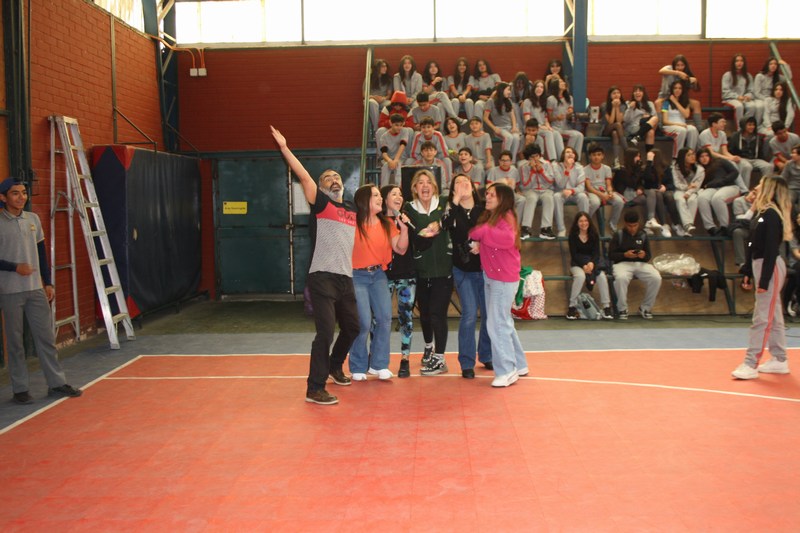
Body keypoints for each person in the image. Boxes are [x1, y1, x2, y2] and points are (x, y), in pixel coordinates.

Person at [271, 127, 359, 405]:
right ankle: (314, 387)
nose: (333, 179)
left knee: (354, 327)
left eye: (336, 176)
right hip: (322, 278)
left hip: (346, 278)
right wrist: (285, 148)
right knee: (325, 332)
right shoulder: (321, 204)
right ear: (321, 188)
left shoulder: (353, 209)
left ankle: (335, 366)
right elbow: (304, 176)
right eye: (327, 178)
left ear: (342, 183)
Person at [0, 178, 83, 405]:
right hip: (9, 291)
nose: (21, 197)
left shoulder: (33, 219)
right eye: (15, 193)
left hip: (36, 289)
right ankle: (20, 389)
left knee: (46, 337)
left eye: (24, 193)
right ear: (3, 197)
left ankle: (56, 383)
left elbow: (42, 253)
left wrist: (48, 282)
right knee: (15, 342)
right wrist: (14, 267)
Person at [732, 176, 792, 380]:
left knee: (762, 317)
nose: (755, 188)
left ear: (769, 189)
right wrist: (748, 270)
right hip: (761, 265)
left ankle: (751, 363)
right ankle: (780, 359)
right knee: (773, 315)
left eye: (760, 185)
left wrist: (764, 281)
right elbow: (752, 244)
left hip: (770, 266)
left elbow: (769, 249)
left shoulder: (772, 215)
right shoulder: (762, 213)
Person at [348, 184, 409, 382]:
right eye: (375, 195)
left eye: (379, 196)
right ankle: (358, 365)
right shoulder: (352, 223)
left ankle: (379, 364)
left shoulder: (386, 223)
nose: (380, 199)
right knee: (363, 322)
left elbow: (400, 249)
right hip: (356, 276)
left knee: (384, 319)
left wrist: (405, 228)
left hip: (378, 276)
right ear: (363, 200)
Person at [469, 183, 527, 387]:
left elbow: (506, 239)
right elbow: (481, 236)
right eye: (487, 194)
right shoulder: (493, 217)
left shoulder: (506, 217)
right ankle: (519, 364)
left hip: (502, 279)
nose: (488, 197)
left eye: (492, 194)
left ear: (503, 198)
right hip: (493, 276)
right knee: (503, 322)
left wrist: (481, 234)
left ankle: (507, 370)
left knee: (496, 324)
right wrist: (479, 242)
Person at [440, 174, 492, 378]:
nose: (463, 185)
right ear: (453, 189)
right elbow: (444, 224)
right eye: (458, 183)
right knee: (470, 314)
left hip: (485, 270)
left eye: (466, 182)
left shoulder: (484, 210)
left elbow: (495, 232)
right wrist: (453, 200)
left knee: (488, 314)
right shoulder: (453, 210)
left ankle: (487, 355)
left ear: (473, 186)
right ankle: (466, 362)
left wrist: (483, 244)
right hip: (463, 271)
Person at [404, 169, 453, 376]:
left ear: (434, 186)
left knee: (437, 314)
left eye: (428, 182)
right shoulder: (408, 209)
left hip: (444, 270)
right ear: (414, 188)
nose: (424, 186)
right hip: (420, 271)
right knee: (424, 314)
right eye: (420, 182)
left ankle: (440, 358)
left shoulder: (444, 204)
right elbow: (415, 236)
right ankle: (428, 346)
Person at [380, 185, 417, 378]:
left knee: (406, 319)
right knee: (379, 319)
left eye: (401, 194)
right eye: (393, 194)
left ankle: (405, 359)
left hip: (406, 275)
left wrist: (408, 226)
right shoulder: (376, 220)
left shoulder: (406, 219)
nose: (398, 197)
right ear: (384, 199)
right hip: (382, 276)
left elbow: (417, 243)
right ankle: (378, 359)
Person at [609, 210, 662, 320]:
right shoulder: (618, 235)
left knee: (656, 278)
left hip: (640, 263)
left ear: (638, 224)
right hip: (622, 263)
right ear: (625, 224)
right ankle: (622, 308)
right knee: (621, 278)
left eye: (635, 225)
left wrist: (643, 255)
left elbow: (648, 255)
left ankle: (645, 308)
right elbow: (611, 255)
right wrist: (625, 254)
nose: (632, 228)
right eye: (629, 226)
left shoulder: (643, 234)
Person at [566, 211, 613, 320]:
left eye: (586, 220)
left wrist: (591, 263)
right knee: (580, 276)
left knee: (601, 276)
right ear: (577, 223)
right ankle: (571, 307)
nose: (583, 223)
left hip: (592, 263)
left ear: (589, 222)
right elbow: (574, 254)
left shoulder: (594, 234)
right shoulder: (572, 236)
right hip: (577, 264)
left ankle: (606, 307)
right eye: (581, 221)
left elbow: (596, 253)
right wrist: (584, 266)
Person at [698, 113, 749, 194]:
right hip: (709, 158)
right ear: (714, 124)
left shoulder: (722, 134)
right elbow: (711, 153)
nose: (724, 124)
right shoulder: (705, 134)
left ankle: (744, 187)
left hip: (719, 158)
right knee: (732, 164)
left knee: (745, 165)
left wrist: (733, 157)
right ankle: (743, 190)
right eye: (722, 122)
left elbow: (725, 151)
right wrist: (730, 159)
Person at [695, 147, 741, 236]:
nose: (704, 158)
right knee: (702, 198)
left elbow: (734, 172)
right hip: (712, 188)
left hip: (729, 186)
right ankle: (710, 227)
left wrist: (723, 181)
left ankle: (724, 227)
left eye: (706, 155)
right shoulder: (699, 169)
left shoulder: (720, 161)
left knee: (717, 198)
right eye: (701, 156)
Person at [517, 143, 557, 239]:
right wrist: (532, 172)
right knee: (530, 198)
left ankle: (546, 229)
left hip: (546, 189)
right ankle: (525, 228)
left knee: (549, 198)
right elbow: (526, 184)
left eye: (537, 156)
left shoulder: (547, 164)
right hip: (531, 190)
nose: (535, 159)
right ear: (528, 158)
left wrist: (541, 171)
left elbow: (550, 181)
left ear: (540, 155)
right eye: (532, 157)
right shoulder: (524, 167)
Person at [584, 143, 624, 232]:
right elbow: (589, 187)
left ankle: (613, 223)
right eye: (594, 155)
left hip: (604, 190)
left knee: (619, 201)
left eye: (599, 155)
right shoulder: (585, 169)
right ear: (590, 156)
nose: (596, 157)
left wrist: (609, 192)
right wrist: (602, 195)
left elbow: (608, 184)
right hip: (592, 192)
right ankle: (586, 221)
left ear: (602, 156)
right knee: (595, 203)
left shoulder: (607, 168)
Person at [656, 54, 704, 129]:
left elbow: (696, 89)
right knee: (657, 102)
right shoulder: (669, 68)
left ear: (685, 66)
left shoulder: (686, 74)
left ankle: (699, 129)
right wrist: (678, 73)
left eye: (682, 65)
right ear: (674, 65)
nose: (680, 67)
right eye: (677, 65)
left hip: (680, 98)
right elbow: (661, 71)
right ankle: (659, 127)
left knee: (696, 104)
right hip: (666, 97)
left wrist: (695, 81)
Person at [522, 79, 563, 161]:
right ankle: (552, 159)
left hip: (542, 127)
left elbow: (545, 119)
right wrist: (540, 127)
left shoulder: (543, 102)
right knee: (548, 133)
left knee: (556, 133)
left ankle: (561, 158)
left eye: (542, 87)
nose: (539, 89)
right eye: (537, 86)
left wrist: (548, 126)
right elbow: (527, 121)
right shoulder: (527, 101)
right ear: (533, 89)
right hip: (531, 128)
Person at [553, 146, 589, 237]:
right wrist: (567, 169)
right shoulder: (556, 166)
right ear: (563, 155)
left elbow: (581, 187)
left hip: (574, 192)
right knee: (556, 197)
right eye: (568, 152)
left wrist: (572, 191)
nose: (570, 154)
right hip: (561, 192)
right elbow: (560, 185)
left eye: (572, 152)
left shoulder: (579, 167)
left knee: (583, 196)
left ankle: (584, 227)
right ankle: (561, 229)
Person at [729, 116, 773, 188]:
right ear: (743, 125)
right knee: (747, 167)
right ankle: (745, 190)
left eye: (753, 125)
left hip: (755, 159)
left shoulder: (758, 137)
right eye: (749, 125)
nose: (752, 127)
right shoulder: (736, 136)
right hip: (741, 158)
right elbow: (731, 150)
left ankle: (765, 189)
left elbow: (760, 152)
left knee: (768, 166)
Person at [547, 77, 584, 160]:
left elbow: (569, 116)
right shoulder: (551, 99)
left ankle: (577, 159)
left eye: (563, 82)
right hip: (556, 127)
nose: (563, 83)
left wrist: (570, 115)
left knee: (580, 135)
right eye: (560, 82)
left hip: (567, 126)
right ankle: (566, 157)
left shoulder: (569, 98)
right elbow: (548, 118)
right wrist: (557, 117)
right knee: (574, 135)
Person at [722, 53, 763, 127]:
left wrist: (747, 96)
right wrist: (737, 97)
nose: (739, 63)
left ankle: (746, 126)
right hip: (731, 99)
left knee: (752, 106)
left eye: (741, 61)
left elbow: (751, 90)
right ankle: (740, 128)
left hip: (744, 99)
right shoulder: (727, 75)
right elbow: (725, 92)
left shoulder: (748, 76)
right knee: (739, 106)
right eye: (737, 61)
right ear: (733, 63)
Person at [661, 80, 699, 160]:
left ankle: (690, 155)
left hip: (682, 125)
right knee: (682, 130)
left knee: (693, 129)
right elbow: (665, 121)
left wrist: (676, 102)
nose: (677, 90)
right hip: (669, 126)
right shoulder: (666, 102)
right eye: (675, 88)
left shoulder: (686, 102)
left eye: (680, 88)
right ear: (672, 90)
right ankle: (676, 158)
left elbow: (686, 115)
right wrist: (679, 125)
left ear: (682, 90)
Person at [484, 82, 521, 163]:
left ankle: (512, 162)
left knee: (516, 138)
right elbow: (485, 118)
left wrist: (514, 127)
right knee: (509, 138)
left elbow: (513, 116)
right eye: (508, 90)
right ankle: (503, 161)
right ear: (502, 90)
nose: (509, 92)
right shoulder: (491, 101)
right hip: (499, 128)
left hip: (510, 127)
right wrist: (494, 128)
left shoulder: (508, 101)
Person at [670, 147, 704, 237]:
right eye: (689, 155)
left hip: (693, 192)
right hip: (680, 190)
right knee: (679, 199)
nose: (693, 156)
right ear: (682, 157)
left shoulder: (700, 169)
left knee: (692, 201)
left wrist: (688, 192)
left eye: (693, 154)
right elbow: (677, 183)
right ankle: (688, 225)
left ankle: (687, 228)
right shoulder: (675, 168)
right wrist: (687, 187)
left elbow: (697, 185)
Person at [421, 59, 464, 125]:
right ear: (428, 69)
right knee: (441, 94)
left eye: (435, 67)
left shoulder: (443, 79)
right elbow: (425, 93)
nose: (433, 68)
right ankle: (455, 118)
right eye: (431, 67)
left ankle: (444, 128)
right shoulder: (424, 79)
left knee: (453, 100)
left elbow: (447, 94)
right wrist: (434, 82)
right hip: (428, 100)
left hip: (440, 100)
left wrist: (437, 94)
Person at [378, 113, 414, 187]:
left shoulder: (404, 131)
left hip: (401, 158)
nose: (399, 127)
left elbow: (402, 145)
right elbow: (384, 153)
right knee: (385, 166)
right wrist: (390, 161)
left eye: (401, 125)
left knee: (398, 166)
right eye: (396, 125)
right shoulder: (383, 137)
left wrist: (396, 160)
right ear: (391, 123)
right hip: (389, 159)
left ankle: (399, 189)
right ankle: (383, 190)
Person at [624, 84, 659, 152]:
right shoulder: (629, 103)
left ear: (643, 93)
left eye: (640, 91)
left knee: (651, 131)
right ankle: (637, 136)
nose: (637, 93)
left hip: (646, 126)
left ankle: (649, 157)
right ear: (633, 94)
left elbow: (655, 120)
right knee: (654, 120)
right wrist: (630, 108)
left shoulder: (650, 104)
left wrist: (648, 117)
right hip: (634, 127)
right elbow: (626, 120)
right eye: (635, 91)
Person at [600, 85, 628, 167]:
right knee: (617, 125)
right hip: (606, 129)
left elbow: (619, 120)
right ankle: (627, 149)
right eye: (614, 93)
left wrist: (617, 107)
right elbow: (610, 122)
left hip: (618, 131)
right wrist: (613, 107)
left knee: (615, 133)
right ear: (610, 95)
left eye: (618, 93)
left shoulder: (623, 105)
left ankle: (616, 161)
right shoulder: (604, 105)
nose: (616, 95)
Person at [367, 58, 393, 133]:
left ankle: (389, 127)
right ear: (377, 68)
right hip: (371, 98)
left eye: (386, 66)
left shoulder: (388, 79)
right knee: (372, 103)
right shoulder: (369, 78)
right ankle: (377, 129)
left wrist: (384, 98)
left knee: (392, 104)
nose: (385, 68)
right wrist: (374, 97)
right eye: (383, 66)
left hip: (383, 100)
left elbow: (389, 94)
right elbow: (364, 94)